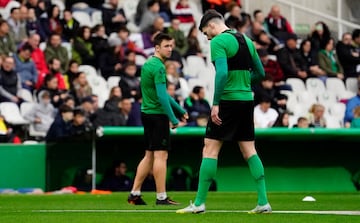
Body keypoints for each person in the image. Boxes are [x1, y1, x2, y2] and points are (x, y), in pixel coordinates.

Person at [176, 10, 271, 214]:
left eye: (205, 32)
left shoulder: (218, 41)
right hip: (246, 101)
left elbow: (222, 74)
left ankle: (199, 203)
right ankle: (263, 201)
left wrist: (216, 103)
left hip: (228, 100)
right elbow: (261, 73)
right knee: (249, 151)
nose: (206, 37)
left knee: (209, 149)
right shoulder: (247, 40)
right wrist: (244, 84)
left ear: (211, 25)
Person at [127, 32, 188, 206]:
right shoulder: (160, 68)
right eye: (166, 46)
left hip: (146, 113)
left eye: (171, 46)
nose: (170, 49)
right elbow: (162, 96)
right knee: (161, 156)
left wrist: (179, 110)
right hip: (157, 116)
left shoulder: (148, 64)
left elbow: (160, 94)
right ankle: (161, 196)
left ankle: (134, 194)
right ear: (157, 48)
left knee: (149, 156)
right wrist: (173, 119)